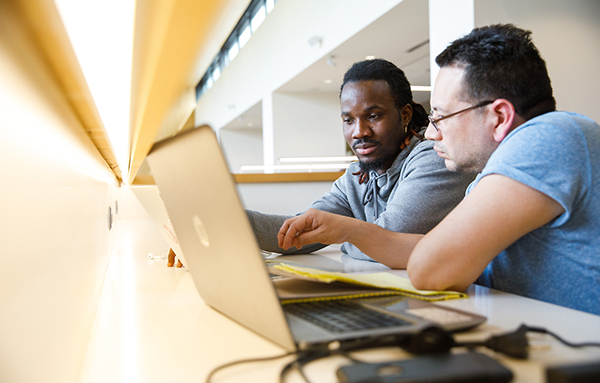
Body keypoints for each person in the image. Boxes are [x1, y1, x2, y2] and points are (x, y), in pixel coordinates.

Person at [277, 24, 600, 315]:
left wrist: (359, 234)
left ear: (499, 117)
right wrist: (349, 230)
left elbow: (430, 267)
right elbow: (425, 248)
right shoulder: (489, 177)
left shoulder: (550, 136)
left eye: (441, 117)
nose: (430, 133)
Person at [246, 59, 476, 262]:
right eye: (348, 120)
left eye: (373, 116)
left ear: (404, 115)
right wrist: (236, 220)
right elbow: (302, 231)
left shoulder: (435, 158)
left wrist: (343, 238)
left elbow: (390, 241)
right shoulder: (357, 176)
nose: (359, 132)